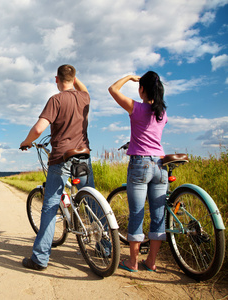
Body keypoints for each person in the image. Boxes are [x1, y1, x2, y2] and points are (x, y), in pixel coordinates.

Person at [20, 64, 94, 270]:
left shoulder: (56, 99)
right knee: (92, 199)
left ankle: (40, 258)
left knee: (50, 205)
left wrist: (26, 142)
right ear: (75, 78)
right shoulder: (84, 97)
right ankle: (106, 247)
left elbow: (38, 128)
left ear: (56, 79)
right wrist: (75, 77)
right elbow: (84, 89)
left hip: (61, 157)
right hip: (83, 156)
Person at [108, 71, 168, 272]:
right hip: (160, 165)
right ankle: (151, 261)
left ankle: (133, 263)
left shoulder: (137, 108)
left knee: (137, 213)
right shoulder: (162, 113)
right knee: (158, 215)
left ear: (142, 89)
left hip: (140, 164)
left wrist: (129, 77)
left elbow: (113, 89)